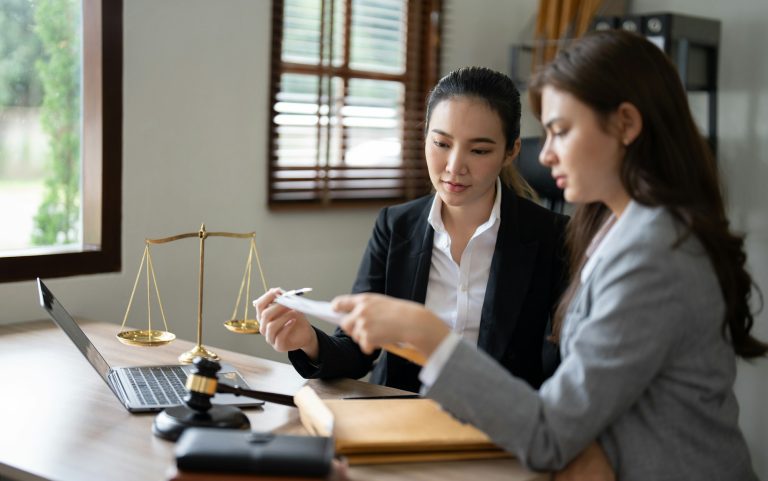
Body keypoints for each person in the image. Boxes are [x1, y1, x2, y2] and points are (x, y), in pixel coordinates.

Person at [331, 30, 767, 480]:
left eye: (560, 131)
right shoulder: (614, 229)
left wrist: (429, 337)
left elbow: (551, 431)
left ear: (626, 124)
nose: (549, 155)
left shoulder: (652, 255)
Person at [255, 66, 569, 393]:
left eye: (478, 150)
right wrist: (308, 341)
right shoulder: (395, 226)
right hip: (401, 417)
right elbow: (358, 348)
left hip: (500, 428)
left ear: (511, 151)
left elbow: (564, 361)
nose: (454, 166)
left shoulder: (551, 236)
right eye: (441, 143)